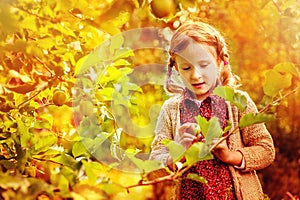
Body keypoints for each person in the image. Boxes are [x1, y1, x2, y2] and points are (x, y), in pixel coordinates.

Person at [149, 19, 275, 200]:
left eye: (204, 65)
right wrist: (176, 151)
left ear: (219, 61)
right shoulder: (171, 110)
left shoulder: (237, 103)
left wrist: (230, 156)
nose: (195, 75)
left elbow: (266, 150)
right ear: (176, 68)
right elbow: (155, 164)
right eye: (186, 67)